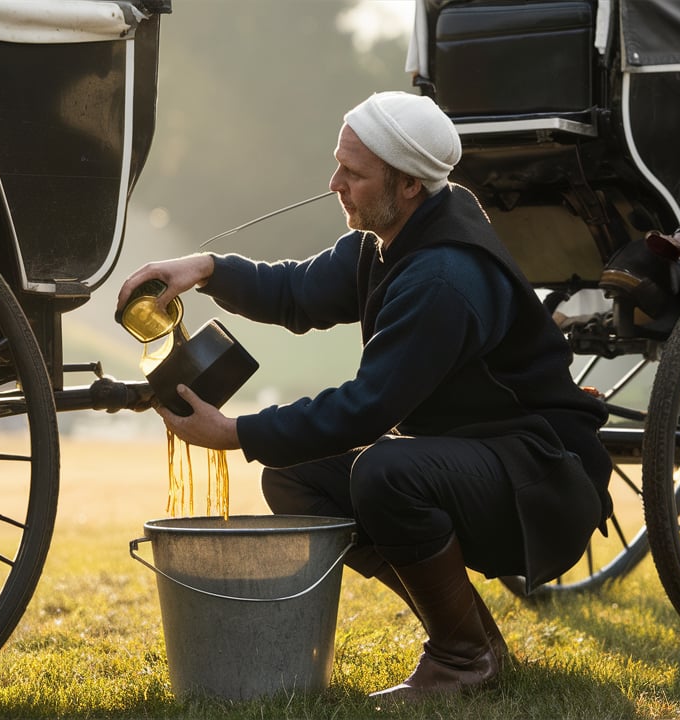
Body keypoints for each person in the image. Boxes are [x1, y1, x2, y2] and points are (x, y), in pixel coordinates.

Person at [116, 91, 612, 700]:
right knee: (295, 478)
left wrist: (235, 434)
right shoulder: (389, 239)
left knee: (385, 471)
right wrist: (208, 268)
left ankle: (462, 660)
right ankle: (476, 639)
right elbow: (297, 292)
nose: (334, 183)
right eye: (338, 164)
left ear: (407, 184)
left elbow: (369, 408)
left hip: (541, 480)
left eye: (353, 172)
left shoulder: (443, 277)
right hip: (479, 462)